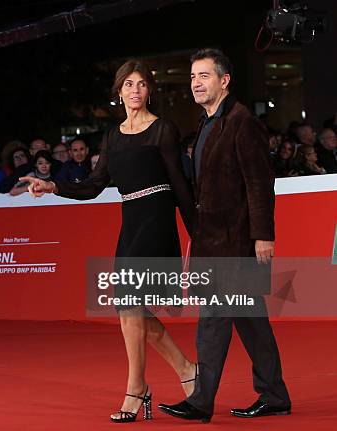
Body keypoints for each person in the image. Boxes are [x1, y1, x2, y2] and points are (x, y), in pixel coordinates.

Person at [20, 59, 197, 423]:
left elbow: (180, 184)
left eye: (142, 84)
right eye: (128, 84)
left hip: (157, 220)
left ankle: (137, 390)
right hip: (130, 223)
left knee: (130, 305)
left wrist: (197, 235)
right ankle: (187, 370)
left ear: (150, 91)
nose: (135, 90)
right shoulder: (112, 136)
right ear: (119, 92)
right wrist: (53, 185)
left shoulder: (163, 129)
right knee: (131, 308)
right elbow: (93, 184)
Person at [158, 48, 290, 422]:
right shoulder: (206, 123)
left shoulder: (241, 121)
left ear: (224, 80)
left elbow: (261, 184)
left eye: (204, 76)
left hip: (237, 243)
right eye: (193, 77)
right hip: (214, 241)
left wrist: (264, 236)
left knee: (213, 318)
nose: (196, 83)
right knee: (251, 322)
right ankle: (275, 394)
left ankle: (200, 402)